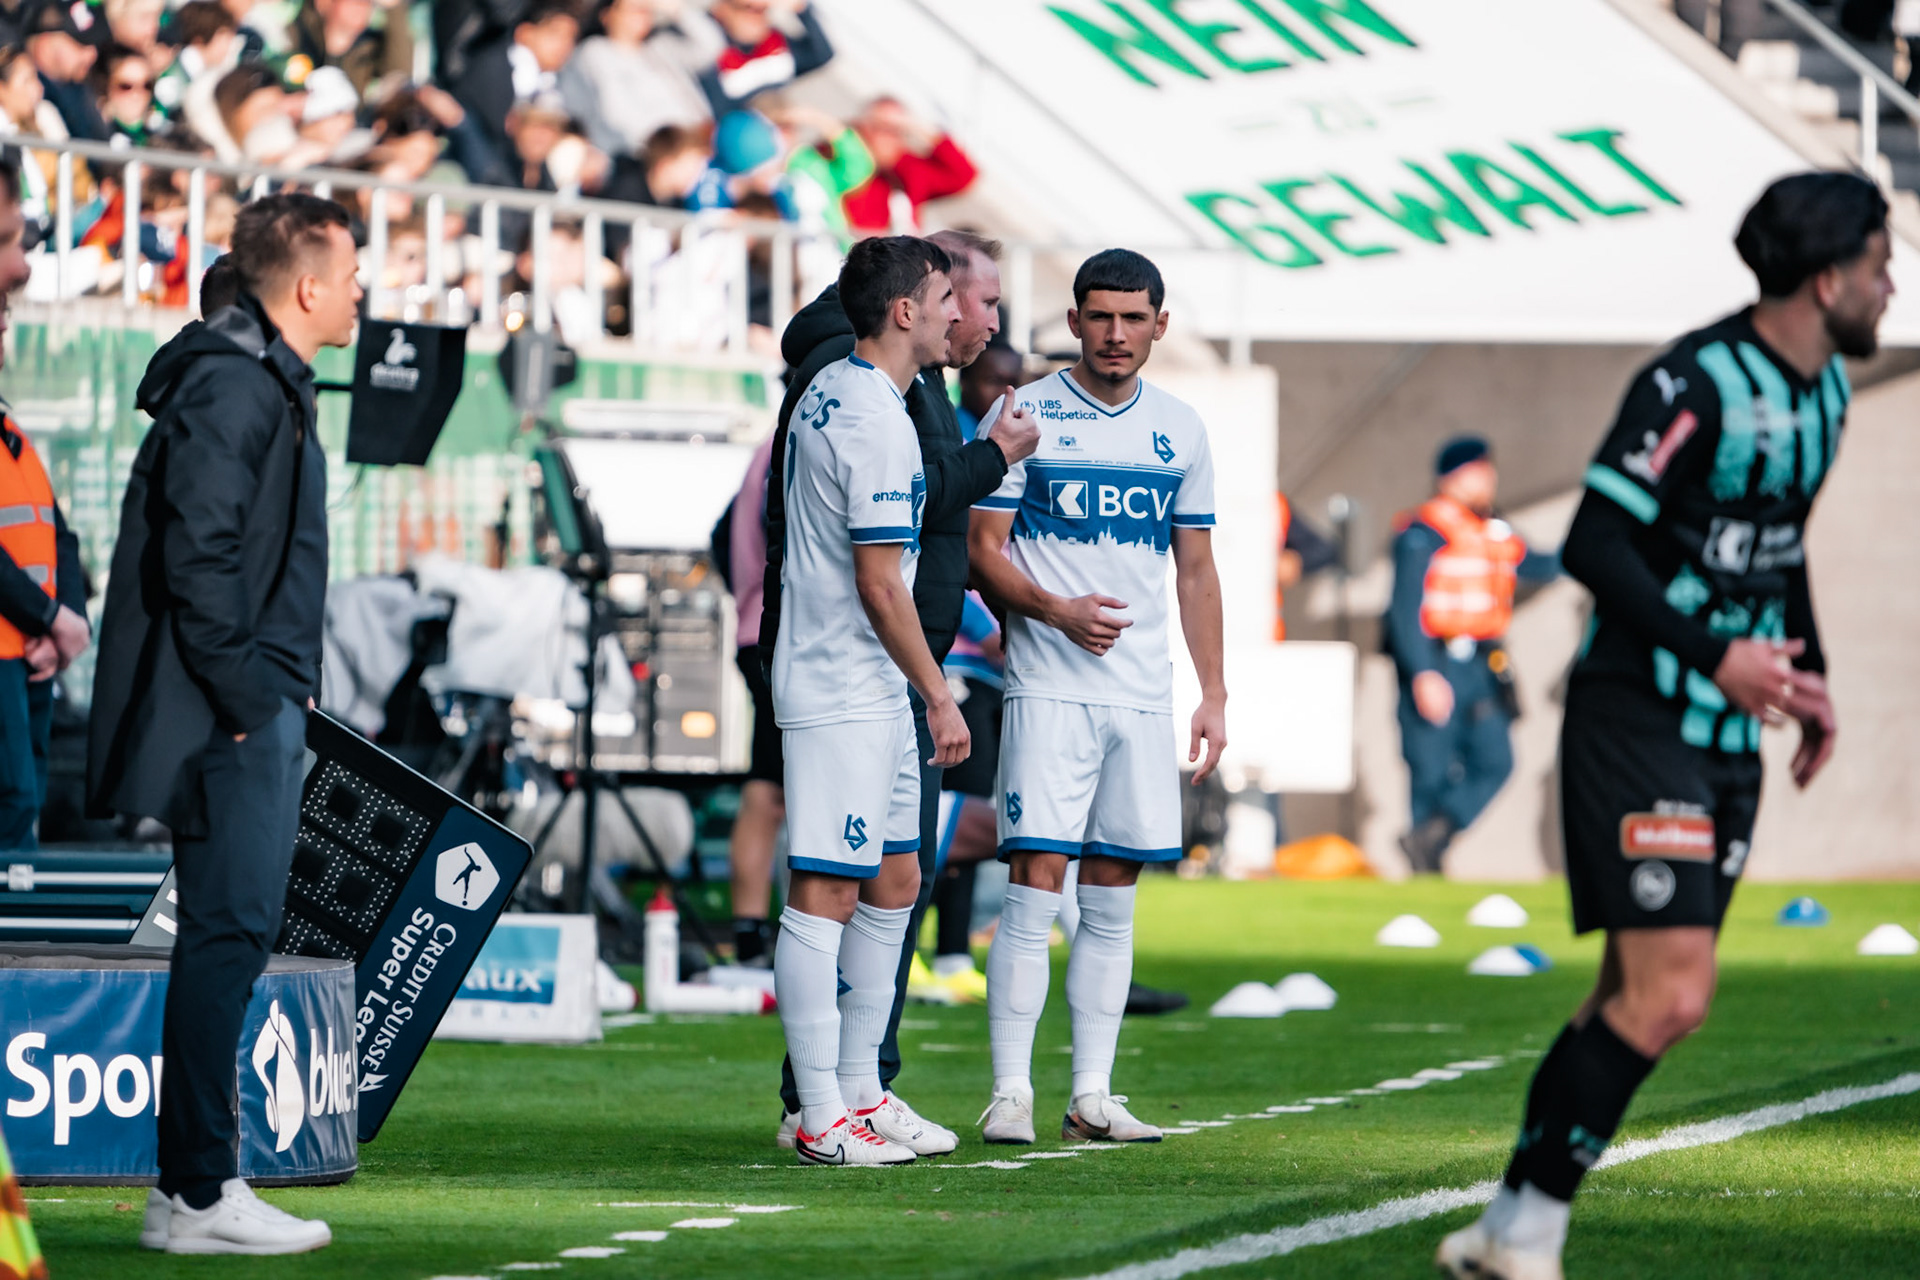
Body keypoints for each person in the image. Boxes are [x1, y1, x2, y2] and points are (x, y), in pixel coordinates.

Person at [1435, 172, 1887, 1280]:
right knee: (1673, 992)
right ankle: (1533, 1230)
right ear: (1827, 279)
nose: (1891, 285)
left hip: (1729, 728)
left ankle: (1503, 1224)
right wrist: (1718, 655)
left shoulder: (1826, 391)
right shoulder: (1693, 380)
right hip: (1638, 715)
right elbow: (1594, 541)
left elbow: (1774, 551)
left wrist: (1805, 675)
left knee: (1628, 998)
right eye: (1881, 264)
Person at [88, 192, 361, 1255]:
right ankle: (200, 1189)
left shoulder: (260, 385)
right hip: (231, 715)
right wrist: (255, 700)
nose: (357, 293)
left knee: (231, 936)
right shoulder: (235, 387)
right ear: (304, 286)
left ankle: (190, 1186)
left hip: (248, 703)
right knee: (228, 935)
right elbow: (195, 558)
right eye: (346, 275)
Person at [762, 229, 1039, 1154]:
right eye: (949, 296)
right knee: (824, 891)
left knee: (896, 878)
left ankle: (857, 1090)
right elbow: (880, 582)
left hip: (869, 680)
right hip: (843, 682)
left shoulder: (866, 394)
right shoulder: (871, 416)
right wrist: (941, 692)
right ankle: (818, 1114)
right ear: (906, 311)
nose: (968, 312)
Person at [968, 248, 1226, 1145]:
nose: (1116, 333)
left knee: (1113, 896)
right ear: (1074, 321)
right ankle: (1009, 1092)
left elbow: (1196, 570)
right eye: (1100, 316)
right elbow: (983, 546)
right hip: (1048, 689)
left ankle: (1092, 1095)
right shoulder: (1025, 413)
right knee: (1035, 889)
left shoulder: (1182, 429)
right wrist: (1054, 610)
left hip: (1142, 698)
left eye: (1133, 317)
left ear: (1161, 324)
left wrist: (1214, 692)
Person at [1385, 437, 1558, 873]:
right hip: (1437, 660)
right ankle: (1425, 867)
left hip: (1482, 664)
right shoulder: (1423, 532)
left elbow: (1539, 564)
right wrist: (1423, 673)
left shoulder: (1493, 529)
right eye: (1478, 471)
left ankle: (1431, 838)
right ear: (1451, 478)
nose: (1489, 479)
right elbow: (1405, 611)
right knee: (1430, 769)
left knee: (1496, 758)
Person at [0, 155, 88, 852]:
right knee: (12, 802)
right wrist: (49, 617)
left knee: (23, 808)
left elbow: (60, 536)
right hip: (14, 644)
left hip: (29, 651)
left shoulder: (13, 433)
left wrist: (67, 620)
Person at [725, 429, 782, 965]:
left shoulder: (770, 442)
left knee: (767, 789)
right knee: (780, 793)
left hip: (758, 630)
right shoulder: (802, 433)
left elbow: (720, 534)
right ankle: (769, 935)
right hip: (779, 636)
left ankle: (749, 935)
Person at [556, 0, 714, 158]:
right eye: (634, 9)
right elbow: (615, 116)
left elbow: (712, 49)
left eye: (645, 9)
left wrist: (675, 9)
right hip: (653, 155)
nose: (642, 14)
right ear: (607, 15)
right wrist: (669, 146)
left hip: (700, 145)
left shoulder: (660, 48)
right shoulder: (595, 54)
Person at [843, 97, 977, 236]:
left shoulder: (907, 169)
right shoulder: (841, 154)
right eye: (880, 127)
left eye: (896, 130)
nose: (889, 136)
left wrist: (913, 123)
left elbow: (963, 175)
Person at [697, 0, 832, 118]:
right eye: (748, 9)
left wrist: (801, 9)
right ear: (722, 10)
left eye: (762, 9)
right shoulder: (708, 52)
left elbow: (822, 55)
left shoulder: (777, 43)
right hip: (742, 134)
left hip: (782, 127)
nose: (757, 16)